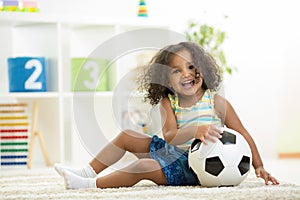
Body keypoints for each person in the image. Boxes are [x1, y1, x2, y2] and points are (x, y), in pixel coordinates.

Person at [54, 42, 279, 189]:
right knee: (128, 135)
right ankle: (85, 171)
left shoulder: (217, 103)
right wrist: (194, 130)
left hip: (195, 168)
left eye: (191, 67)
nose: (186, 74)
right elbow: (170, 136)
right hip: (176, 153)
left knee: (144, 167)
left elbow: (243, 134)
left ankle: (90, 185)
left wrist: (258, 166)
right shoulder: (168, 102)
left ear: (203, 69)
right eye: (176, 71)